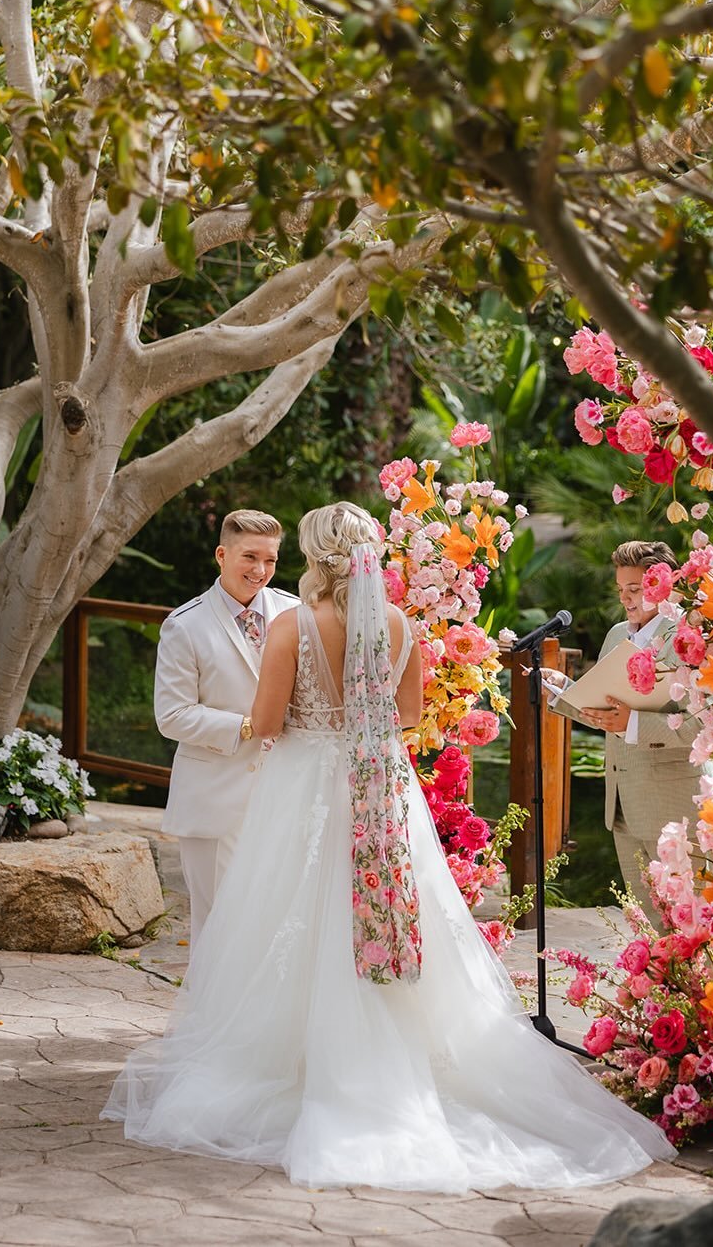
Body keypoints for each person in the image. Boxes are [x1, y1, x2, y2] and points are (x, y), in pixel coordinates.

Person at [104, 502, 675, 1192]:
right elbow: (407, 715)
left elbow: (266, 722)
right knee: (393, 907)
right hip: (379, 786)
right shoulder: (400, 625)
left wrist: (309, 719)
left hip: (305, 787)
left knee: (287, 912)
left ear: (315, 556)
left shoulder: (291, 624)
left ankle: (293, 1063)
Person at [154, 509, 298, 951]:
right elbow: (172, 715)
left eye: (270, 560)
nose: (260, 570)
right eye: (249, 557)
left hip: (284, 794)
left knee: (275, 922)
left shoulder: (295, 613)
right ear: (221, 555)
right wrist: (250, 726)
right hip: (213, 798)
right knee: (216, 926)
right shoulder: (185, 624)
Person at [549, 539, 704, 920]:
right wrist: (563, 690)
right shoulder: (617, 634)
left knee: (692, 925)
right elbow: (608, 714)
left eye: (634, 589)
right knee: (649, 928)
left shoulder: (691, 636)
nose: (625, 598)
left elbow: (704, 725)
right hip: (621, 806)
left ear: (663, 584)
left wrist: (633, 722)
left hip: (675, 807)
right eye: (621, 589)